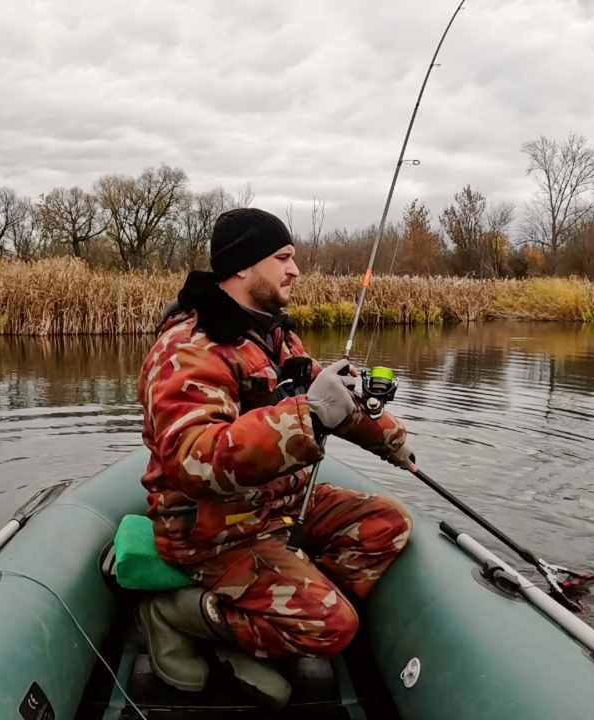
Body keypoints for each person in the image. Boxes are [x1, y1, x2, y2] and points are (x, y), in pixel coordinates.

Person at [136, 207, 416, 709]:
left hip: (276, 507)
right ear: (242, 267)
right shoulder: (190, 349)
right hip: (212, 530)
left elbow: (334, 406)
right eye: (283, 258)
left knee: (387, 525)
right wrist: (307, 417)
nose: (295, 270)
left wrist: (391, 441)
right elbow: (192, 459)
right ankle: (176, 615)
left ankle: (278, 603)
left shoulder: (276, 337)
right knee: (334, 626)